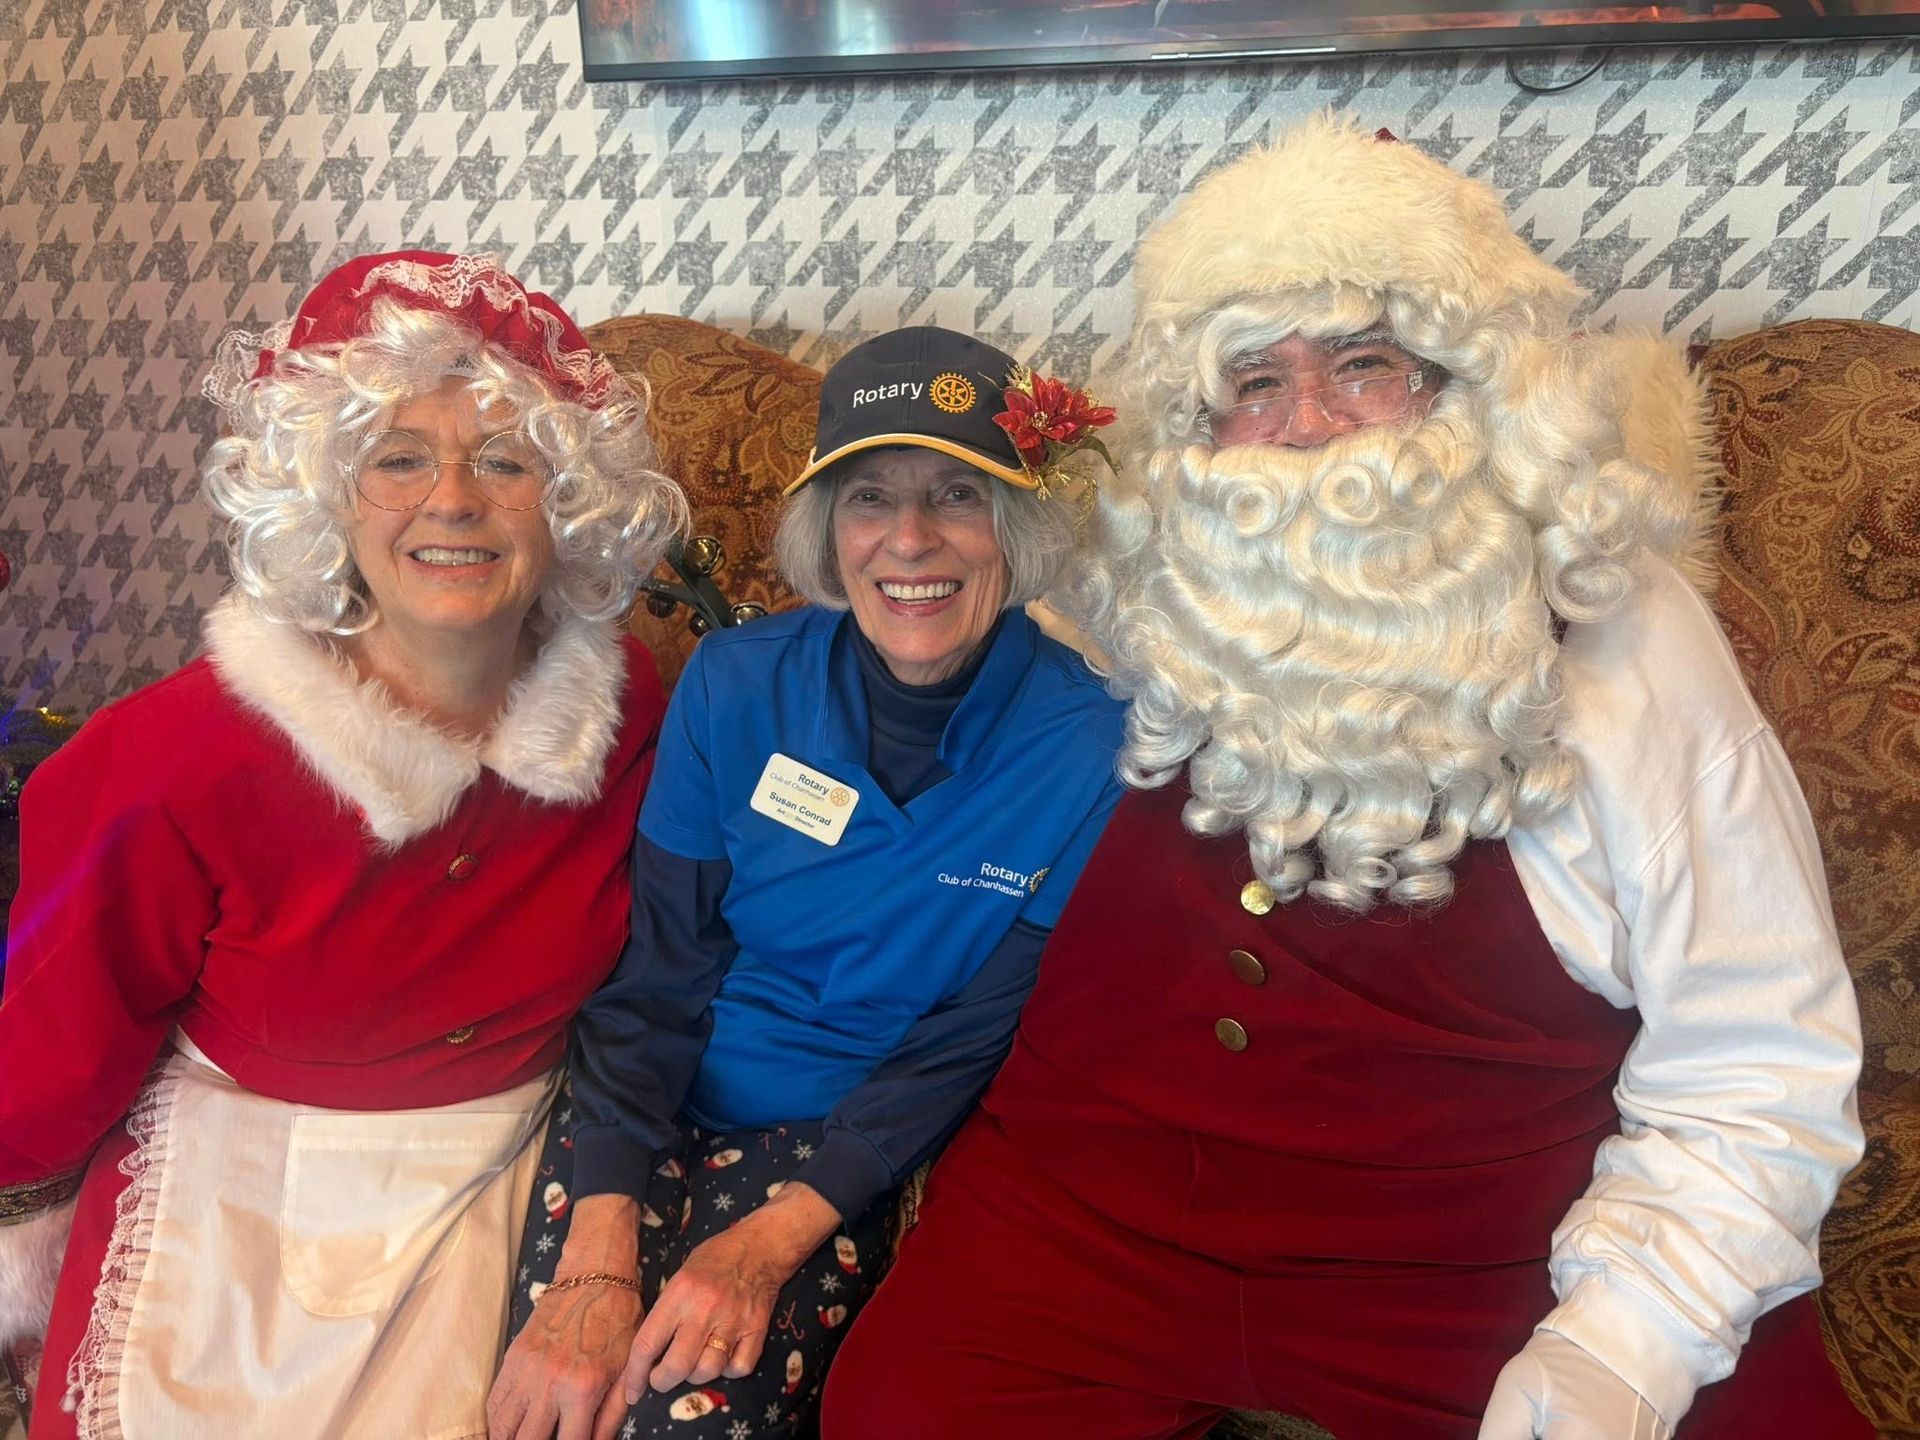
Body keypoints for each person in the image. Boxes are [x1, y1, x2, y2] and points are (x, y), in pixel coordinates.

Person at [821, 117, 1872, 1440]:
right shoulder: (1146, 582)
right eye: (1254, 379)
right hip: (1094, 1221)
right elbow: (910, 642)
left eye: (1364, 364)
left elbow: (1757, 1050)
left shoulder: (1623, 635)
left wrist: (1627, 1340)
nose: (1307, 426)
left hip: (1480, 1249)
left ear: (1469, 382)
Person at [0, 250, 685, 1439]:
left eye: (505, 460)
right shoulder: (171, 756)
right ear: (325, 497)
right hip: (245, 1204)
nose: (455, 499)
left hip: (504, 1183)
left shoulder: (636, 707)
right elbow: (58, 1038)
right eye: (400, 458)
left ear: (565, 502)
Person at [486, 327, 1127, 1440]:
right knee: (553, 1396)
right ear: (828, 533)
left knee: (685, 1419)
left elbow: (971, 1038)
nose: (910, 539)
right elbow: (659, 970)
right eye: (870, 496)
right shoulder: (738, 685)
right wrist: (600, 1244)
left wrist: (770, 1240)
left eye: (958, 496)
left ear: (1016, 527)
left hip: (841, 1144)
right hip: (644, 1101)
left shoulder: (1090, 750)